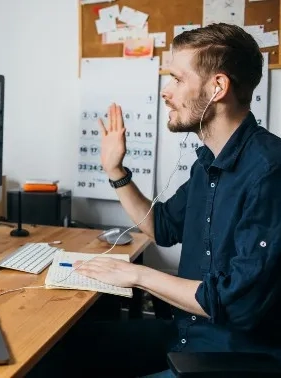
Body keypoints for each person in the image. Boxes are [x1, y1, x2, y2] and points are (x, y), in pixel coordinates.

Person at [30, 23, 281, 378]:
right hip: (187, 337)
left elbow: (237, 303)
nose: (166, 91)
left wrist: (137, 275)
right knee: (53, 354)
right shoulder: (207, 163)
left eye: (177, 79)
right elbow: (160, 226)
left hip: (232, 360)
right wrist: (115, 170)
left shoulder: (269, 172)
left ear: (218, 87)